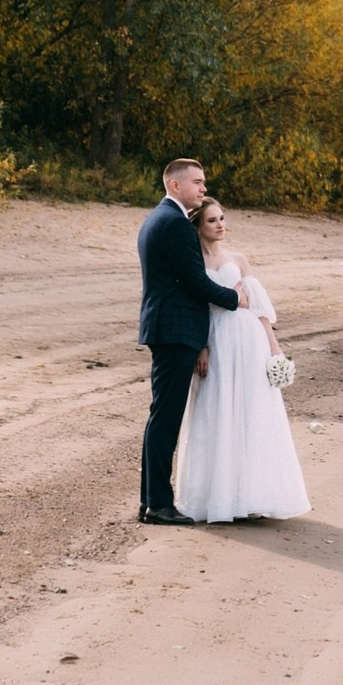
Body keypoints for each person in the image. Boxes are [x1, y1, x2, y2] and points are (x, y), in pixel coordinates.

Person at [173, 198, 310, 522]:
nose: (220, 225)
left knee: (252, 411)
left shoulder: (238, 259)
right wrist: (201, 348)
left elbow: (259, 309)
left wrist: (274, 348)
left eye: (221, 218)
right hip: (217, 339)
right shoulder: (192, 263)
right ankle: (218, 497)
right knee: (217, 409)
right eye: (211, 220)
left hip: (249, 340)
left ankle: (253, 494)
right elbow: (195, 310)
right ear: (198, 226)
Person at [136, 158, 245, 526]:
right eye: (197, 182)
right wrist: (235, 299)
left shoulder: (156, 219)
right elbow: (195, 283)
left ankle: (150, 499)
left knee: (161, 416)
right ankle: (159, 505)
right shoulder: (176, 225)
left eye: (203, 182)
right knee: (166, 418)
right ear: (175, 186)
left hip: (167, 327)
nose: (202, 188)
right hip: (175, 330)